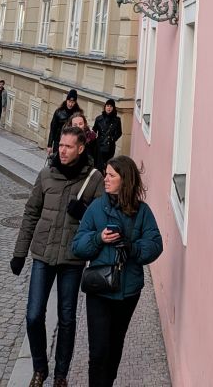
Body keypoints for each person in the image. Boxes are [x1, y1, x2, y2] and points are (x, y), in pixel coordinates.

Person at [9, 126, 104, 387]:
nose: (62, 150)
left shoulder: (94, 179)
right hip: (42, 254)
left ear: (81, 148)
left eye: (68, 146)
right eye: (60, 145)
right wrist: (19, 254)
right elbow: (30, 214)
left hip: (72, 259)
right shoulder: (46, 175)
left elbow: (102, 221)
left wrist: (84, 211)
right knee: (34, 315)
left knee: (67, 319)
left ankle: (61, 375)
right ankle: (40, 368)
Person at [73, 155, 163, 387]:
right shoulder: (96, 208)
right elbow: (78, 246)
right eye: (106, 174)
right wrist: (98, 238)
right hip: (99, 289)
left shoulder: (142, 212)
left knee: (114, 347)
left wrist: (132, 247)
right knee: (98, 351)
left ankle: (107, 382)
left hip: (128, 290)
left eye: (112, 175)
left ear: (125, 180)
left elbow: (155, 244)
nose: (106, 179)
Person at [47, 89, 81, 157]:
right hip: (58, 142)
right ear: (66, 100)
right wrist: (50, 145)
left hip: (71, 143)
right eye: (69, 101)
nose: (70, 104)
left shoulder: (78, 114)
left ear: (75, 102)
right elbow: (53, 129)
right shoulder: (59, 112)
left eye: (73, 102)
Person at [92, 99, 122, 172]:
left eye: (111, 106)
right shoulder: (99, 119)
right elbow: (94, 130)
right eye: (107, 106)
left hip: (110, 147)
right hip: (99, 146)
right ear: (105, 107)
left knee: (108, 165)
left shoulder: (117, 120)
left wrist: (112, 139)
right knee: (98, 166)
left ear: (113, 108)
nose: (109, 108)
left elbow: (119, 132)